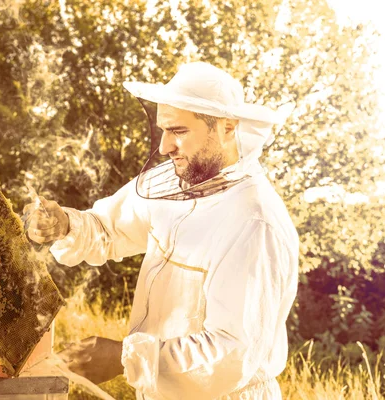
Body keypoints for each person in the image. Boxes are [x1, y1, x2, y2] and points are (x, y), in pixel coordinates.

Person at [24, 62, 299, 400]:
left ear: (228, 128)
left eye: (179, 131)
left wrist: (124, 358)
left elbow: (230, 354)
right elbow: (107, 229)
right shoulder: (175, 180)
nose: (166, 146)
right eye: (164, 130)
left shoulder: (255, 222)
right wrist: (63, 224)